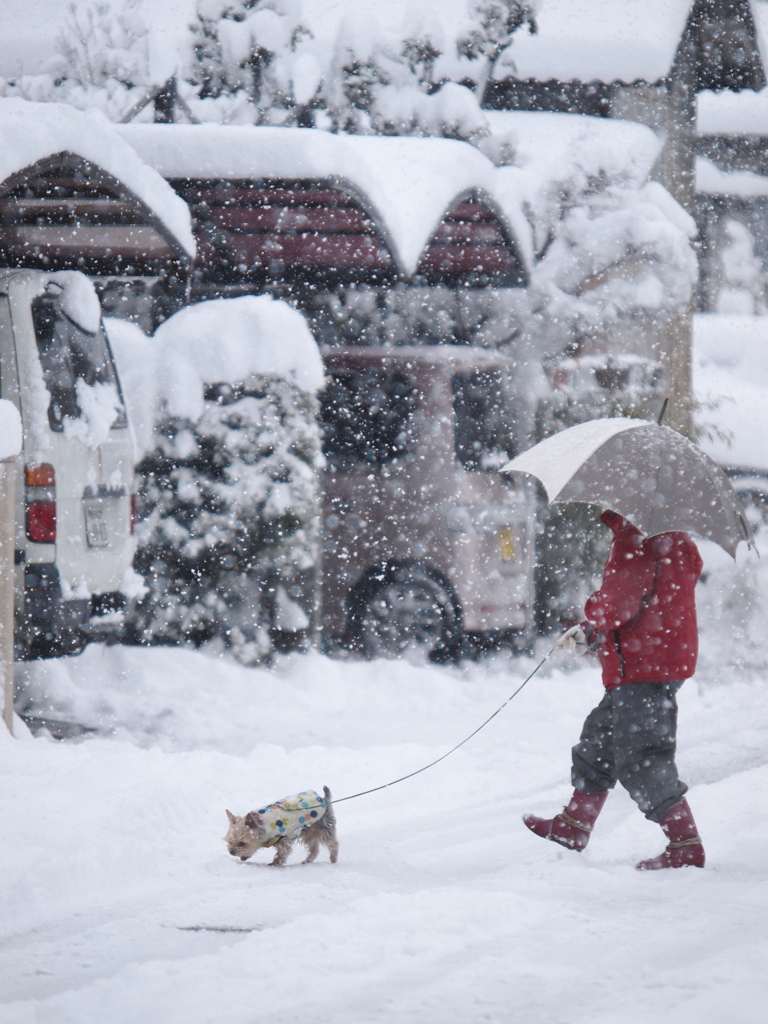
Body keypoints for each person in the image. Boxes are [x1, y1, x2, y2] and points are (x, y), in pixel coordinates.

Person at [524, 510, 705, 870]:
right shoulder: (676, 537)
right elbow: (657, 596)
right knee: (600, 740)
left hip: (642, 665)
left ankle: (685, 844)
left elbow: (618, 604)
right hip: (660, 658)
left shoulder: (636, 536)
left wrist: (594, 612)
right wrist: (599, 631)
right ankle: (573, 826)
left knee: (642, 757)